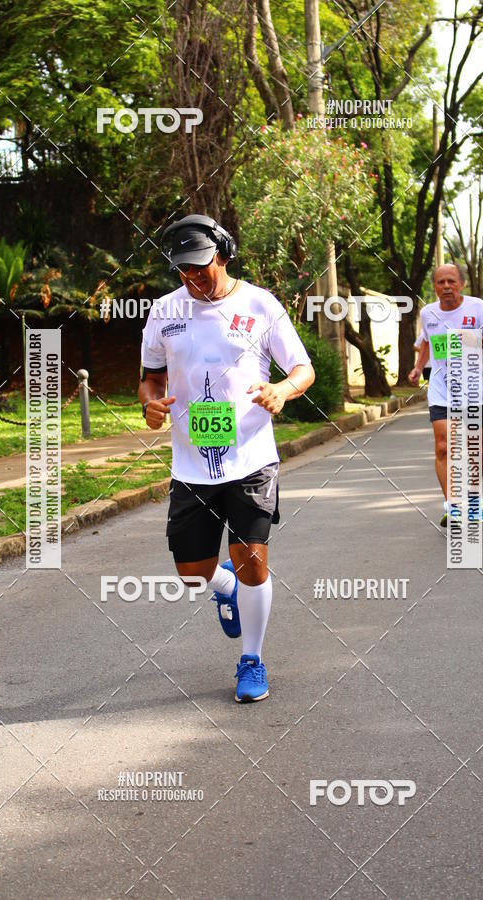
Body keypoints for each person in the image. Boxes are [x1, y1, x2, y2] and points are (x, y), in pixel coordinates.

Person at [139, 214, 315, 703]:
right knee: (192, 570)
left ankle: (252, 660)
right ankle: (222, 586)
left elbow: (303, 368)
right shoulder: (164, 311)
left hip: (251, 456)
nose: (193, 277)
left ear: (223, 254)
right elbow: (151, 377)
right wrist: (151, 403)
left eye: (201, 266)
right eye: (183, 270)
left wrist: (282, 389)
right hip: (191, 462)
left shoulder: (260, 304)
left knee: (253, 562)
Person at [408, 263, 483, 525]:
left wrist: (470, 338)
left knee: (475, 449)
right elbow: (426, 341)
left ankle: (474, 499)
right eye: (441, 282)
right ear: (435, 287)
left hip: (475, 390)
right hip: (442, 390)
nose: (446, 286)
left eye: (451, 281)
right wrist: (418, 368)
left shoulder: (477, 308)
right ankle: (453, 507)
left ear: (461, 283)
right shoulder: (428, 313)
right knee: (443, 446)